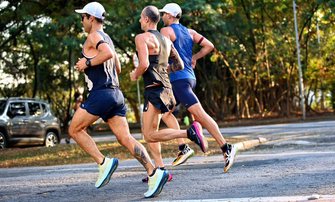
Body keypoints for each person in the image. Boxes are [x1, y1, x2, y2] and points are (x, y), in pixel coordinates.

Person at [71, 2, 168, 198]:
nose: (81, 21)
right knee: (125, 138)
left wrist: (87, 63)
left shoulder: (94, 36)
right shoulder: (108, 38)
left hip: (101, 93)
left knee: (74, 129)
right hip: (115, 94)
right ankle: (154, 173)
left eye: (83, 17)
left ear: (91, 18)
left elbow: (106, 54)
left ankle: (103, 162)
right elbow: (118, 68)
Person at [129, 5, 208, 180]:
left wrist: (134, 74)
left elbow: (143, 65)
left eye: (141, 18)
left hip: (154, 90)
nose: (140, 21)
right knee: (152, 132)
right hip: (166, 88)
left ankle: (189, 133)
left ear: (147, 19)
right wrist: (163, 71)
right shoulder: (166, 40)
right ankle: (160, 170)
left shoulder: (142, 38)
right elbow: (179, 64)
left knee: (148, 134)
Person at [159, 3, 239, 172]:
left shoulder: (166, 31)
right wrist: (194, 57)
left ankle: (226, 147)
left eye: (164, 14)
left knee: (200, 115)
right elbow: (209, 46)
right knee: (165, 113)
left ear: (171, 16)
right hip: (189, 77)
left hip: (178, 80)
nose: (162, 17)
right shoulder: (190, 32)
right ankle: (183, 148)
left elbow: (164, 55)